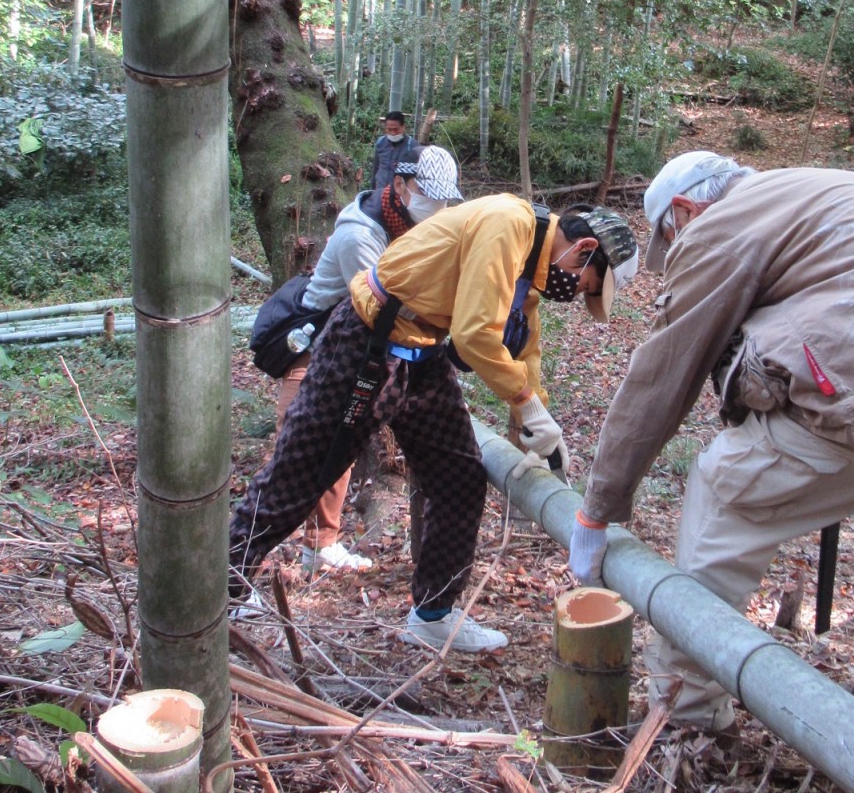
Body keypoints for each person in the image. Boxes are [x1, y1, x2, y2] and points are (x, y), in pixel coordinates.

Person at [568, 151, 854, 732]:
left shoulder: (719, 225)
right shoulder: (829, 184)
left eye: (668, 241)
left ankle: (686, 712)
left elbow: (665, 369)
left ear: (683, 211)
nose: (674, 252)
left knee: (725, 494)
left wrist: (598, 508)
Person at [230, 196, 639, 651]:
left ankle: (433, 614)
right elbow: (475, 333)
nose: (578, 292)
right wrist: (524, 401)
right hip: (366, 343)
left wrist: (536, 421)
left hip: (422, 354)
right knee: (303, 474)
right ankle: (218, 590)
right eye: (586, 284)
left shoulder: (534, 262)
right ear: (583, 249)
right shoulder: (508, 226)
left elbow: (524, 343)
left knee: (458, 477)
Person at [272, 145, 460, 572]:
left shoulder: (413, 229)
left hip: (366, 352)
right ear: (399, 186)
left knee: (340, 447)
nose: (439, 207)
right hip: (320, 346)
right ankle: (238, 565)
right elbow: (392, 307)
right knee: (297, 454)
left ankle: (320, 545)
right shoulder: (362, 235)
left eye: (445, 198)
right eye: (428, 194)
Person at [369, 110, 419, 194]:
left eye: (396, 129)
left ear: (403, 127)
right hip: (380, 191)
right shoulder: (380, 143)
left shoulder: (412, 146)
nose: (392, 133)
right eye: (389, 129)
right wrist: (372, 189)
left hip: (400, 195)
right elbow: (376, 167)